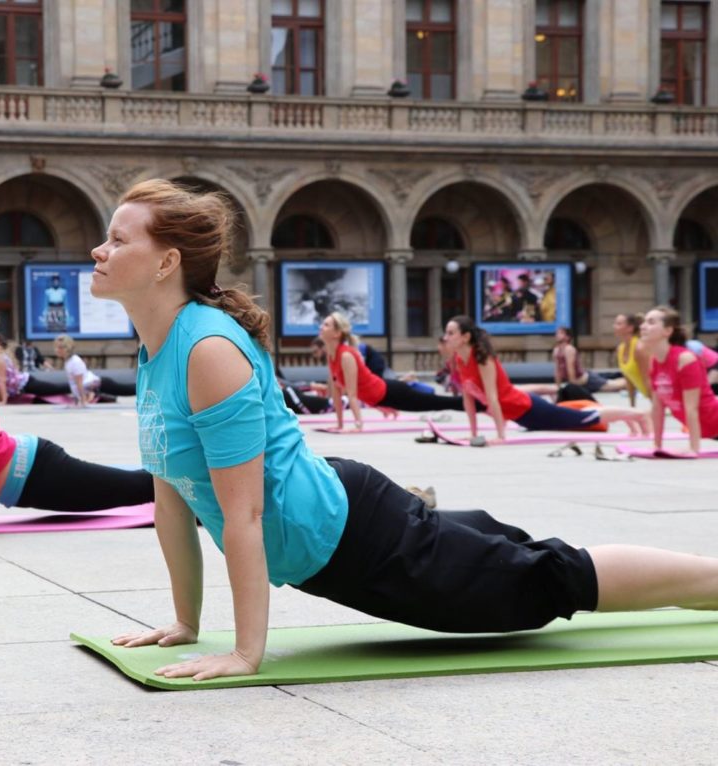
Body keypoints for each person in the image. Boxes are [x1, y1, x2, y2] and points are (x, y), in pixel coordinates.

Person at [91, 179, 718, 684]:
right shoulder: (159, 346)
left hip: (362, 540)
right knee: (495, 551)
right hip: (340, 523)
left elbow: (244, 513)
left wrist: (246, 655)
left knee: (544, 582)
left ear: (166, 262)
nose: (100, 250)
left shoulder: (206, 350)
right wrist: (184, 621)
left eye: (117, 240)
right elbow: (171, 493)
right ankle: (462, 528)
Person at [0, 277, 153, 532]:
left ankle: (190, 489)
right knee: (134, 488)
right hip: (23, 474)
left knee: (138, 487)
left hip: (32, 471)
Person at [445, 315, 648, 443]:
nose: (446, 337)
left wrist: (500, 436)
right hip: (523, 417)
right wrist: (473, 433)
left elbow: (492, 397)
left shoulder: (482, 359)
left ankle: (636, 415)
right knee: (576, 415)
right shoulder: (460, 359)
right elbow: (468, 399)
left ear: (465, 337)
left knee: (582, 418)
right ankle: (628, 417)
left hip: (528, 408)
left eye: (451, 333)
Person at [321, 311, 463, 430]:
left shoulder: (346, 355)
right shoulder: (331, 354)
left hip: (390, 392)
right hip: (381, 398)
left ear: (337, 333)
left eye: (326, 325)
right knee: (434, 403)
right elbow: (336, 392)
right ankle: (470, 404)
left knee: (436, 402)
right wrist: (339, 425)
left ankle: (473, 404)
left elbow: (352, 394)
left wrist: (358, 425)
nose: (321, 327)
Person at [640, 306, 718, 456]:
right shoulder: (654, 362)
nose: (643, 326)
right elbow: (657, 408)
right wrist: (657, 446)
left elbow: (692, 407)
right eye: (644, 322)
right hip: (711, 430)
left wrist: (693, 449)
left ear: (667, 331)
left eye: (651, 322)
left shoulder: (685, 359)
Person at [53, 333, 136, 405]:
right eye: (56, 347)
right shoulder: (68, 362)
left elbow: (79, 382)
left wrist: (83, 400)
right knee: (119, 393)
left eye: (60, 347)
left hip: (102, 384)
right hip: (95, 388)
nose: (56, 350)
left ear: (67, 349)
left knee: (127, 389)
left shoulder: (75, 361)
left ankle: (143, 386)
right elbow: (74, 384)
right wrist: (78, 400)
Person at [0, 334, 69, 403]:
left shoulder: (0, 359)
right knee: (51, 390)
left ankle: (75, 386)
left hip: (26, 383)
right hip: (24, 386)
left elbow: (2, 381)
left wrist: (3, 401)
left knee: (55, 389)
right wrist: (1, 400)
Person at [552, 326, 625, 401]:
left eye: (560, 333)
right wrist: (558, 388)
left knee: (613, 386)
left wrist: (572, 388)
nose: (557, 335)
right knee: (609, 386)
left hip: (588, 380)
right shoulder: (556, 350)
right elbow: (557, 371)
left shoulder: (569, 349)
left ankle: (629, 381)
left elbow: (571, 370)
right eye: (557, 333)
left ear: (567, 337)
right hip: (580, 384)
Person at [614, 313, 651, 406]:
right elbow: (629, 380)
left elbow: (648, 379)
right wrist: (632, 406)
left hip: (661, 400)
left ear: (630, 328)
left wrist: (656, 407)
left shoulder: (639, 348)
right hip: (651, 398)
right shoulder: (620, 349)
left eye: (619, 324)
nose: (614, 326)